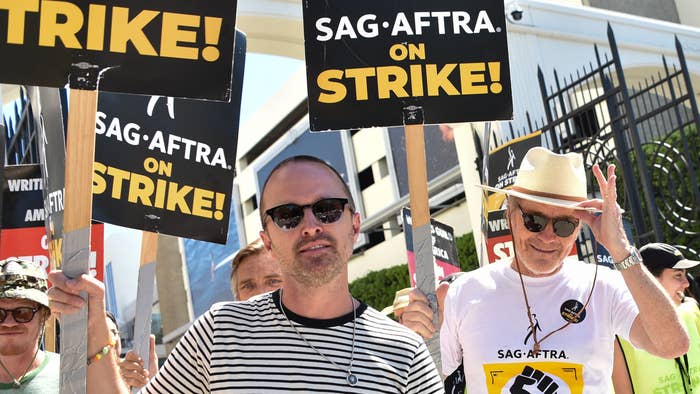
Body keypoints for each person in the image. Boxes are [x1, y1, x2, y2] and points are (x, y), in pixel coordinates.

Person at [49, 155, 444, 393]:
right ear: (268, 240)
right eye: (287, 215)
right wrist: (94, 328)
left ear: (354, 224)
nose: (310, 225)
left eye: (327, 209)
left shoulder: (404, 353)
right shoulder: (220, 331)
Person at [403, 147, 688, 392]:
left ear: (578, 229)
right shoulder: (465, 292)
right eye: (535, 221)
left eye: (564, 225)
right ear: (510, 216)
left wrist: (622, 250)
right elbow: (432, 382)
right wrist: (417, 339)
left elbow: (672, 345)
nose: (549, 237)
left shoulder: (603, 285)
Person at [614, 243, 700, 393]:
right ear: (650, 281)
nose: (686, 283)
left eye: (685, 275)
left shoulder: (692, 310)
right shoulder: (622, 327)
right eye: (678, 275)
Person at [0, 258, 59, 391]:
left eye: (22, 313)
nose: (9, 323)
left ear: (44, 315)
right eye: (0, 314)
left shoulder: (73, 373)